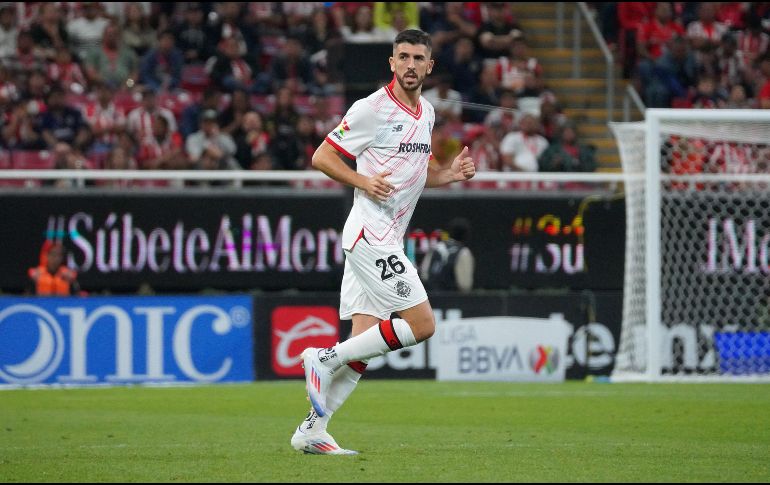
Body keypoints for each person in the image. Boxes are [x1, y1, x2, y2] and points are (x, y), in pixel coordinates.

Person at [290, 29, 475, 456]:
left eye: (418, 58)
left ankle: (312, 431)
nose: (410, 65)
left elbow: (419, 169)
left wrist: (449, 174)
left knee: (364, 346)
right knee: (422, 324)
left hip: (385, 236)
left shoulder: (426, 113)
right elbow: (322, 156)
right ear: (391, 63)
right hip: (370, 233)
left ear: (430, 66)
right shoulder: (371, 109)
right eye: (403, 57)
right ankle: (323, 358)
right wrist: (362, 181)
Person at [419, 218, 475, 293]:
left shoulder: (435, 248)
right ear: (466, 235)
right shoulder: (464, 252)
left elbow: (424, 274)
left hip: (431, 298)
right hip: (453, 300)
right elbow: (464, 284)